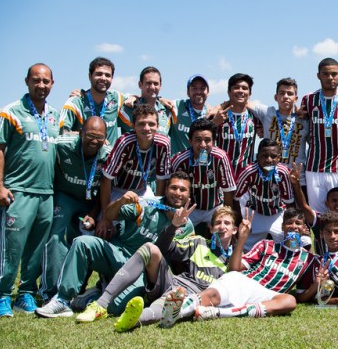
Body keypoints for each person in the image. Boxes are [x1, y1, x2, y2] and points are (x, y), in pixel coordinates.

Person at [35, 172, 194, 318]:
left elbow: (180, 261)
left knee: (116, 308)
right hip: (118, 254)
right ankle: (62, 300)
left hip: (141, 273)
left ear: (189, 195)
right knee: (82, 242)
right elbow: (109, 215)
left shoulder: (187, 226)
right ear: (166, 189)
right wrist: (121, 201)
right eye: (174, 188)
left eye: (183, 190)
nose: (177, 193)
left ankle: (95, 294)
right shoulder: (148, 204)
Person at [75, 205, 236, 331]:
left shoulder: (236, 260)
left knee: (170, 302)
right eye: (218, 223)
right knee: (150, 248)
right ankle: (100, 304)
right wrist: (173, 226)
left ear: (234, 230)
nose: (222, 227)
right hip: (172, 283)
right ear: (211, 228)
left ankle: (133, 320)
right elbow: (164, 248)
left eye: (227, 223)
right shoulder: (199, 242)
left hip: (192, 297)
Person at [0, 63, 60, 316]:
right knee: (12, 248)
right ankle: (2, 295)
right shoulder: (11, 112)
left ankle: (26, 293)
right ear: (27, 81)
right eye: (36, 80)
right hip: (17, 191)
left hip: (46, 193)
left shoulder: (56, 116)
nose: (41, 85)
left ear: (52, 84)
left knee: (36, 251)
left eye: (46, 81)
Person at [172, 208, 317, 322]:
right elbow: (234, 269)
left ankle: (218, 312)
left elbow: (300, 297)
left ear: (304, 228)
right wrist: (242, 238)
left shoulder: (308, 259)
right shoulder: (266, 245)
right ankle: (176, 311)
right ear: (282, 227)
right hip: (246, 282)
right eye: (289, 223)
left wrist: (317, 284)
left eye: (298, 223)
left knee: (289, 301)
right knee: (212, 295)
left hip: (267, 295)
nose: (293, 226)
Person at [43, 117, 110, 301]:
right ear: (80, 133)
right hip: (65, 197)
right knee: (55, 237)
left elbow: (106, 187)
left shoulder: (108, 154)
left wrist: (94, 213)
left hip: (90, 203)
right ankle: (51, 291)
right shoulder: (62, 144)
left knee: (84, 240)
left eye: (100, 137)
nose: (94, 141)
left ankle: (77, 289)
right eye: (90, 135)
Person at [96, 103, 171, 239]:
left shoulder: (163, 144)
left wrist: (158, 209)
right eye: (141, 124)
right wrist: (106, 217)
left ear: (158, 126)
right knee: (104, 230)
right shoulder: (125, 142)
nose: (147, 128)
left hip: (142, 190)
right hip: (118, 190)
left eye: (151, 124)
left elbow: (161, 180)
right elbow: (106, 180)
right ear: (133, 125)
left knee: (152, 227)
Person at [299, 58, 338, 212]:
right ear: (318, 76)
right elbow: (300, 128)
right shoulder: (308, 99)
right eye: (325, 74)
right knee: (317, 214)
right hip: (313, 168)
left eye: (334, 74)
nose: (330, 78)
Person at [171, 118, 236, 229]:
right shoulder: (180, 160)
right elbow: (171, 190)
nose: (202, 145)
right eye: (198, 140)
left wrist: (226, 216)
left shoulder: (221, 157)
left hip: (215, 207)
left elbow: (228, 191)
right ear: (190, 141)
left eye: (207, 140)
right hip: (189, 209)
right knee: (176, 234)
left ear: (213, 141)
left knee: (225, 231)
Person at [251, 77, 309, 196]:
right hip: (271, 176)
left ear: (296, 98)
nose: (286, 96)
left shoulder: (305, 120)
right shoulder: (267, 112)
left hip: (298, 178)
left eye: (290, 94)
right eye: (282, 93)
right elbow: (242, 102)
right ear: (276, 97)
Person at [234, 139, 294, 250]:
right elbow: (235, 199)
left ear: (279, 158)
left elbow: (289, 203)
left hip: (278, 213)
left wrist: (289, 226)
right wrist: (239, 222)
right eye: (264, 156)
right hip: (255, 213)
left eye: (273, 156)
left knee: (295, 243)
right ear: (257, 157)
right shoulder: (248, 171)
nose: (269, 160)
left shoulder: (283, 172)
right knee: (242, 245)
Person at [60, 57, 124, 144]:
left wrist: (133, 98)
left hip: (110, 153)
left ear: (112, 78)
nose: (103, 78)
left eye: (107, 75)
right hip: (83, 153)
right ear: (90, 76)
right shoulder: (75, 103)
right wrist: (89, 136)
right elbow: (61, 133)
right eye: (99, 74)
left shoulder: (117, 98)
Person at [212, 73, 263, 181]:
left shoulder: (255, 117)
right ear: (229, 92)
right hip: (221, 175)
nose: (240, 91)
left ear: (250, 93)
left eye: (244, 88)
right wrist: (214, 123)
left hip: (246, 177)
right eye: (236, 87)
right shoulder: (219, 115)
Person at [119, 66, 176, 136]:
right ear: (140, 84)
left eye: (156, 83)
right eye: (148, 83)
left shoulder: (167, 111)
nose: (152, 87)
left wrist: (160, 99)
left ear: (160, 85)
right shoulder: (126, 108)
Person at [170, 74, 211, 155]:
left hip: (202, 161)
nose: (198, 92)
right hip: (179, 161)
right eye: (194, 88)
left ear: (208, 92)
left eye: (202, 88)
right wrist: (160, 99)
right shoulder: (177, 106)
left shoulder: (211, 113)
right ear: (188, 92)